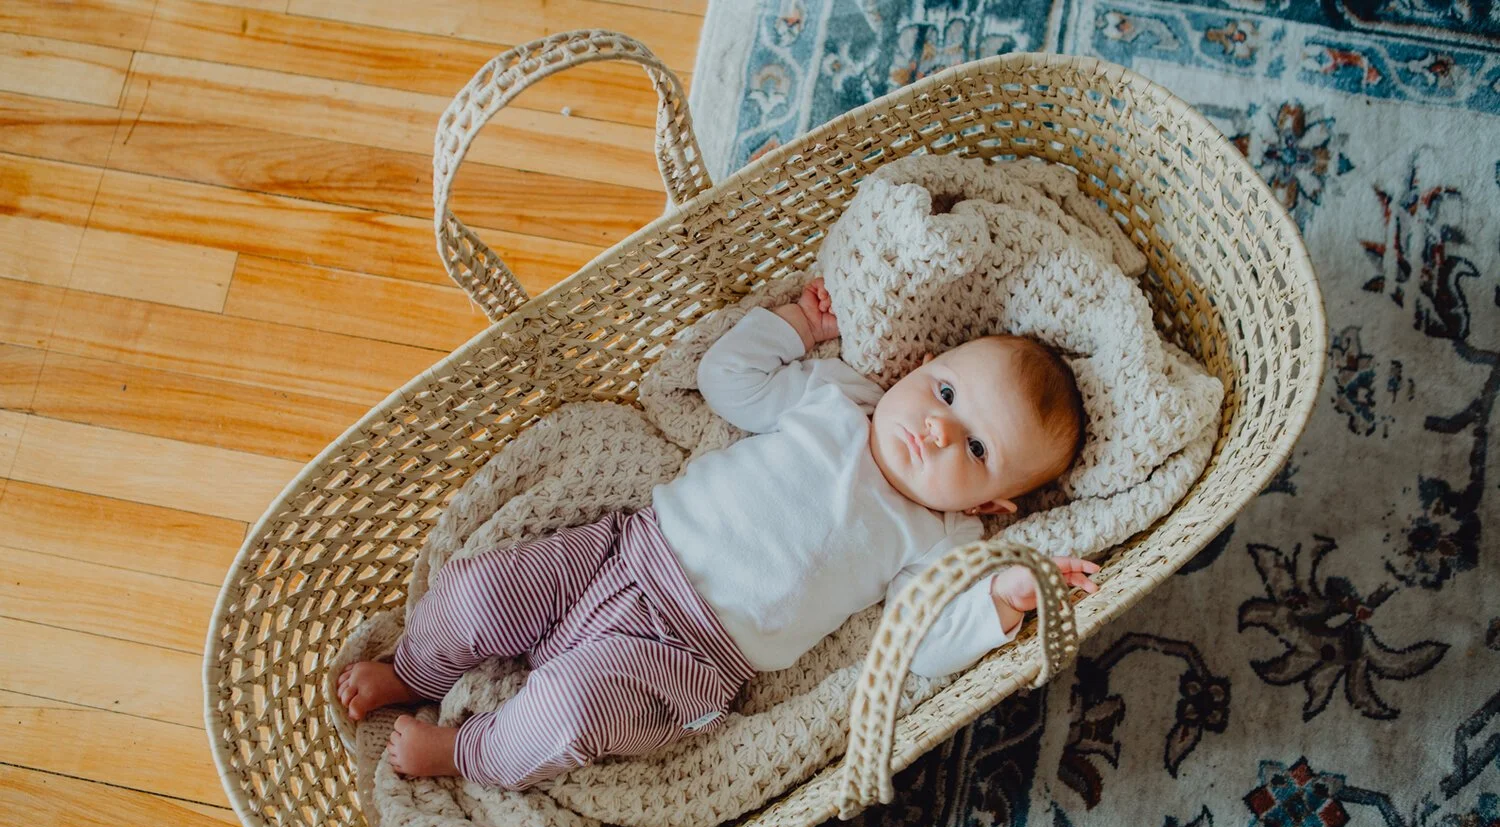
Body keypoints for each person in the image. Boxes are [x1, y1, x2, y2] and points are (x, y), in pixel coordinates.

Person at [337, 278, 1100, 788]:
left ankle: (466, 753)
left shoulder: (936, 535)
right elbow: (727, 381)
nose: (936, 429)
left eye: (974, 449)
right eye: (945, 393)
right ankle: (419, 670)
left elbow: (925, 636)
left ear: (992, 509)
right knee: (479, 592)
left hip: (685, 658)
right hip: (626, 550)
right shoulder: (837, 397)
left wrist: (1003, 596)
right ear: (921, 365)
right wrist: (801, 323)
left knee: (570, 712)